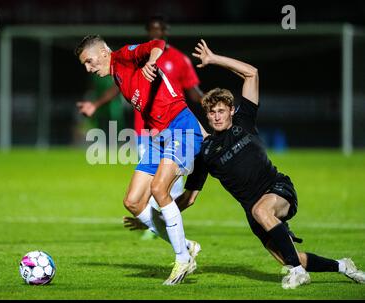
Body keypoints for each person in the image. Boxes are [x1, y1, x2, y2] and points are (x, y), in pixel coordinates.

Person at [124, 39, 365, 290]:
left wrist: (214, 59)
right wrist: (154, 218)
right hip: (255, 213)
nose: (216, 116)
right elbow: (189, 198)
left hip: (278, 190)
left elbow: (252, 73)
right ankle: (342, 266)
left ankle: (296, 273)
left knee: (265, 216)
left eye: (221, 110)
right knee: (291, 257)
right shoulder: (204, 152)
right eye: (211, 113)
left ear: (231, 110)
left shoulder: (244, 121)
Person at [75, 35, 204, 285]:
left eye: (89, 61)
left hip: (181, 127)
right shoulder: (117, 75)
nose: (89, 68)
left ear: (103, 52)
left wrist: (151, 62)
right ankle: (186, 245)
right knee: (133, 201)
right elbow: (147, 103)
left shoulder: (125, 55)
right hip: (160, 136)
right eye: (84, 65)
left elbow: (158, 43)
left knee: (158, 189)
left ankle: (182, 259)